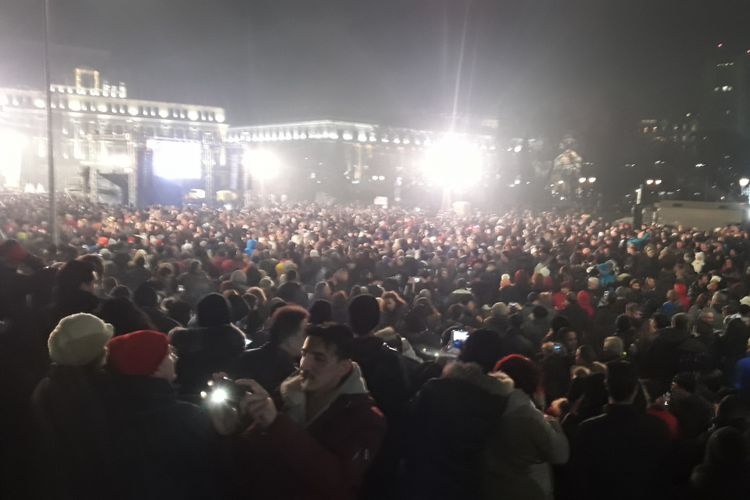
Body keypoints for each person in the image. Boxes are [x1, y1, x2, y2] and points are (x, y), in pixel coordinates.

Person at [212, 324, 386, 500]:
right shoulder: (287, 393)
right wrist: (230, 431)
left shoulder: (366, 418)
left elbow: (338, 484)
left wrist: (277, 423)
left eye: (319, 358)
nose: (305, 365)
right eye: (304, 354)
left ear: (344, 366)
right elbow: (247, 462)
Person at [106, 330, 219, 500]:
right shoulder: (186, 417)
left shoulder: (109, 411)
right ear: (153, 368)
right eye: (168, 353)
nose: (175, 357)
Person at [405, 330, 513, 500]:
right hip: (471, 482)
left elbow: (410, 423)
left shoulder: (436, 389)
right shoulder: (500, 400)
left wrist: (435, 366)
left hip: (427, 477)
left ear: (464, 351)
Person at [30, 313, 115, 500]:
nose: (108, 348)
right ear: (92, 352)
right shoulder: (102, 390)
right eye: (103, 344)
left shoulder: (46, 386)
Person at [572, 361, 671, 500]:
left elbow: (580, 479)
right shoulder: (658, 426)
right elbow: (664, 475)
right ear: (636, 389)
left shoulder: (588, 429)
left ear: (606, 385)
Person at [486, 354, 569, 500]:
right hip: (530, 487)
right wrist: (555, 424)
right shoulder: (529, 415)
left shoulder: (486, 407)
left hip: (491, 487)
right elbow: (560, 454)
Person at [169, 293, 246, 398]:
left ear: (200, 314)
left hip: (188, 395)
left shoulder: (184, 339)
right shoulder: (236, 340)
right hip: (226, 394)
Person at [229, 305, 309, 394]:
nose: (308, 340)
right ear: (289, 337)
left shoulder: (245, 358)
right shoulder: (291, 375)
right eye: (305, 334)